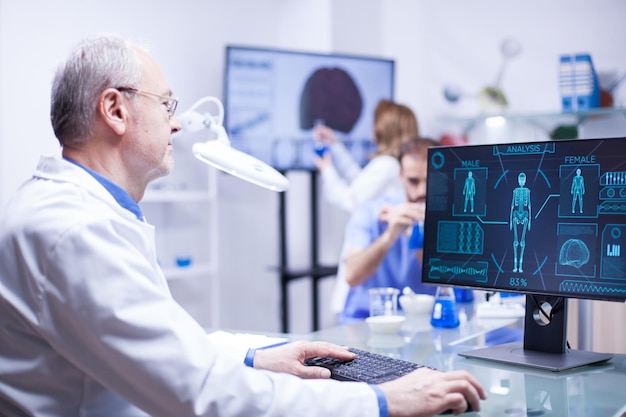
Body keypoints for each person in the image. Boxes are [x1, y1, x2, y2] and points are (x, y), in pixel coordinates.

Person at [0, 34, 486, 416]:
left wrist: (259, 355)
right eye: (166, 104)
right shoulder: (73, 231)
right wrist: (384, 401)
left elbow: (166, 348)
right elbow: (201, 393)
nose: (176, 124)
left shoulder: (79, 212)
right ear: (115, 109)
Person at [338, 137, 439, 323]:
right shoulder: (370, 212)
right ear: (401, 175)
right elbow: (352, 276)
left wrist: (418, 236)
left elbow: (447, 288)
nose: (421, 191)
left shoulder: (451, 221)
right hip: (365, 321)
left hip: (422, 324)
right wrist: (390, 235)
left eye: (430, 180)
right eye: (413, 181)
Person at [313, 99, 419, 213]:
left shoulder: (387, 164)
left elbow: (350, 201)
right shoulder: (395, 164)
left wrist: (326, 169)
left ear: (382, 130)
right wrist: (334, 144)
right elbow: (360, 180)